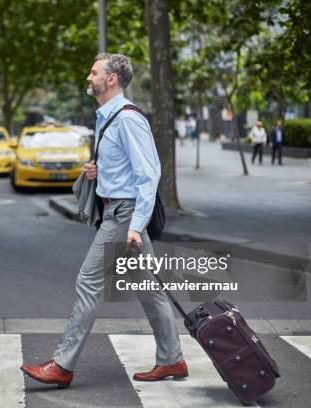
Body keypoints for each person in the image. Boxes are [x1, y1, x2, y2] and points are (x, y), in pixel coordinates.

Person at [20, 53, 186, 388]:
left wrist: (136, 226)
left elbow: (149, 175)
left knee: (87, 282)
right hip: (116, 209)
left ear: (111, 79)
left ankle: (63, 365)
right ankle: (172, 361)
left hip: (124, 215)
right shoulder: (107, 117)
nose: (88, 77)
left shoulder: (127, 118)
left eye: (94, 72)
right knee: (148, 289)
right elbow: (127, 167)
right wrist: (100, 172)